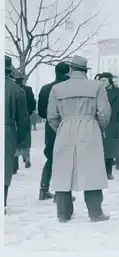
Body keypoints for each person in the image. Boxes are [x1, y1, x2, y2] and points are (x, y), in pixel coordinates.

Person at [47, 55, 111, 223]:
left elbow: (51, 116)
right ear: (85, 70)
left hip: (65, 128)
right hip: (90, 127)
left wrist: (63, 127)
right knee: (92, 170)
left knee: (63, 170)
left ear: (70, 69)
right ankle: (95, 212)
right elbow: (104, 113)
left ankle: (63, 213)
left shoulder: (57, 89)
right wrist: (98, 127)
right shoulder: (97, 86)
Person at [37, 62, 71, 201]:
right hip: (67, 125)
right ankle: (60, 193)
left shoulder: (46, 89)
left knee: (50, 158)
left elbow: (41, 112)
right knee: (64, 160)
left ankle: (43, 189)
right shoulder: (69, 88)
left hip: (50, 127)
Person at [4, 56, 30, 214]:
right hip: (6, 131)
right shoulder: (17, 90)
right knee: (5, 167)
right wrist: (21, 140)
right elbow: (23, 119)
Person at [98, 72, 119, 180]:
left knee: (110, 149)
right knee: (99, 148)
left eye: (104, 80)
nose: (102, 83)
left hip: (113, 123)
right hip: (99, 123)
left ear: (110, 81)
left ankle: (108, 172)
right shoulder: (97, 92)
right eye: (100, 80)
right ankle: (99, 172)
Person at [11, 69, 36, 171]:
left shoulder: (11, 89)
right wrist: (28, 113)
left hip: (12, 119)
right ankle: (26, 157)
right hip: (25, 118)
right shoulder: (28, 89)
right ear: (22, 79)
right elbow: (33, 104)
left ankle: (14, 165)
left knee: (13, 140)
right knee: (25, 139)